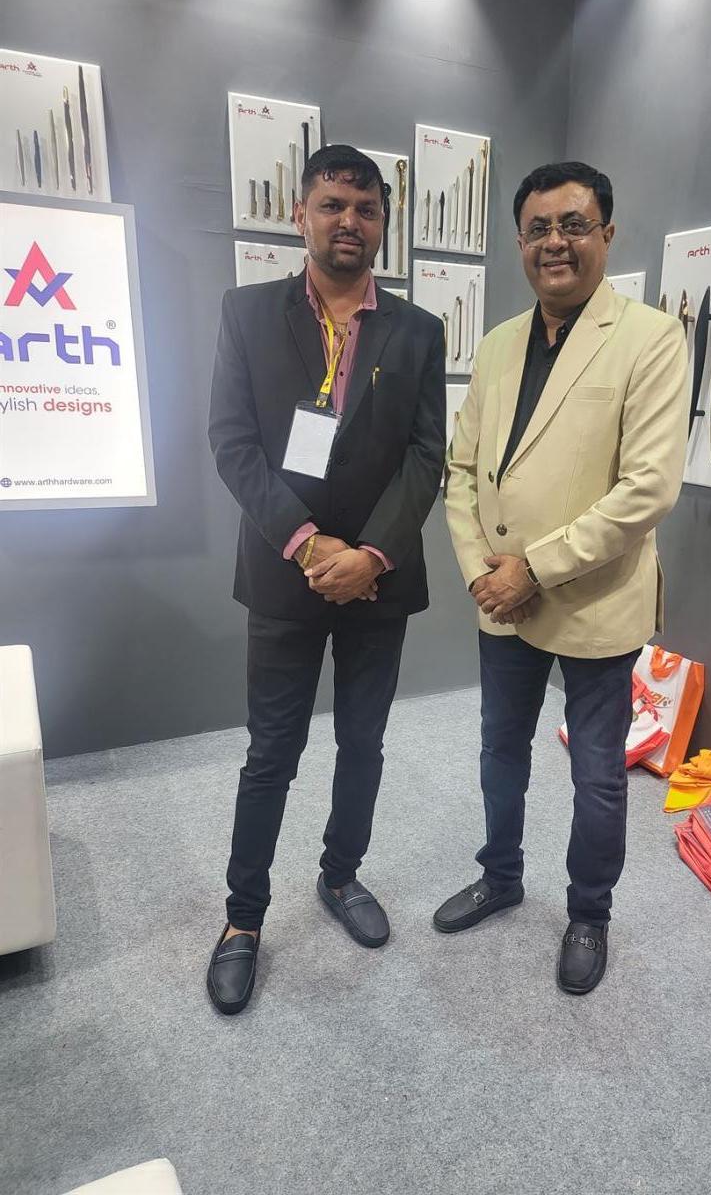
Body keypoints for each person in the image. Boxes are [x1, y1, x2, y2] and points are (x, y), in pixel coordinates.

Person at [436, 161, 688, 995]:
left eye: (574, 225)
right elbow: (461, 470)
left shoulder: (651, 338)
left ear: (606, 235)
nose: (556, 242)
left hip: (592, 597)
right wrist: (480, 572)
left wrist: (534, 570)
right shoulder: (499, 343)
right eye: (539, 228)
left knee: (598, 775)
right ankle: (501, 875)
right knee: (499, 750)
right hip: (500, 596)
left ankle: (589, 912)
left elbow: (646, 490)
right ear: (520, 242)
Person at [207, 144, 446, 1014]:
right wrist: (310, 548)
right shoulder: (246, 312)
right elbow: (232, 442)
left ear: (383, 222)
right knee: (271, 752)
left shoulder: (418, 329)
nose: (350, 221)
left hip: (378, 580)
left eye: (366, 208)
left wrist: (370, 554)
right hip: (285, 575)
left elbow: (427, 456)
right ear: (300, 214)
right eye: (333, 205)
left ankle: (341, 875)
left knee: (363, 743)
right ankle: (242, 919)